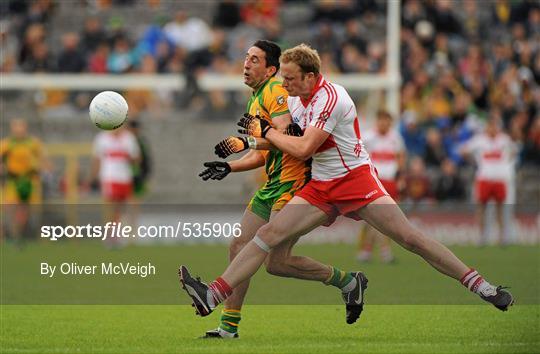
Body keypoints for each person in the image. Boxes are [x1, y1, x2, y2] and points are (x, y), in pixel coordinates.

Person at [179, 44, 513, 327]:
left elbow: (304, 147)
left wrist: (264, 132)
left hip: (355, 181)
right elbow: (287, 141)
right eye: (283, 77)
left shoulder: (332, 98)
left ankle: (481, 285)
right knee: (266, 238)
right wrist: (249, 146)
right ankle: (212, 294)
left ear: (310, 77)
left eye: (291, 78)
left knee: (411, 239)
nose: (285, 84)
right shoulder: (295, 98)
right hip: (321, 186)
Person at [198, 40, 324, 339]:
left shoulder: (276, 92)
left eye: (255, 60)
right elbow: (261, 155)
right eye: (246, 58)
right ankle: (228, 326)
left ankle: (346, 282)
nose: (246, 64)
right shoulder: (255, 100)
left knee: (276, 261)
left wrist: (248, 139)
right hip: (272, 184)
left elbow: (287, 132)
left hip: (292, 184)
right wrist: (229, 166)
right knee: (239, 245)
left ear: (271, 69)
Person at [357, 110, 405, 263]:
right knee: (374, 218)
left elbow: (401, 156)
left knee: (386, 217)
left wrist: (401, 177)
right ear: (377, 121)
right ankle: (380, 251)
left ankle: (368, 250)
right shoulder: (368, 136)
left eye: (387, 121)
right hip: (374, 180)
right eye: (382, 120)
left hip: (390, 181)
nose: (384, 123)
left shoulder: (395, 137)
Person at [461, 117, 517, 245]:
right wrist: (474, 161)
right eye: (490, 126)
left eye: (494, 126)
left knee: (500, 208)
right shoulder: (479, 140)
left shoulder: (504, 139)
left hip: (499, 178)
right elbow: (464, 150)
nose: (492, 129)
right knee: (481, 207)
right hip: (484, 178)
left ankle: (502, 237)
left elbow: (514, 151)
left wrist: (506, 164)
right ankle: (481, 236)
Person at [89, 125, 140, 245]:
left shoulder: (129, 138)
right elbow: (97, 159)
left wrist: (129, 158)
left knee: (120, 207)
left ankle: (117, 234)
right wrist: (92, 177)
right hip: (109, 177)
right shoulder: (102, 138)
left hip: (125, 177)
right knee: (111, 206)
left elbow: (137, 158)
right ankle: (111, 235)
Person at [0, 118, 47, 245]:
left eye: (21, 126)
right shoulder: (6, 144)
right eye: (16, 127)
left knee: (25, 211)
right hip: (13, 182)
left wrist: (40, 169)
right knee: (11, 209)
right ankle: (14, 237)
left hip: (29, 182)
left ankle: (19, 235)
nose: (19, 130)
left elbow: (42, 160)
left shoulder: (33, 144)